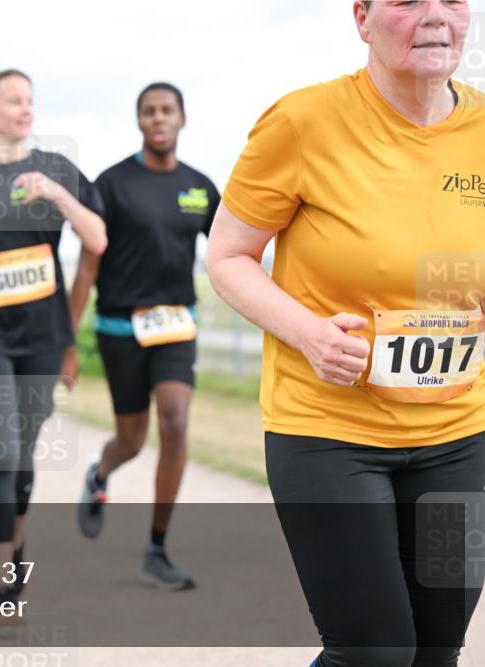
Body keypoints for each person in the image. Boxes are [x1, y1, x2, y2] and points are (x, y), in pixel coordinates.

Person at [205, 1, 484, 664]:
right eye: (407, 1)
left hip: (458, 435)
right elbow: (226, 255)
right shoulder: (303, 122)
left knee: (437, 649)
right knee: (377, 649)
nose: (435, 17)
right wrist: (307, 333)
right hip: (329, 432)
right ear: (361, 18)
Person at [0, 69, 107, 610]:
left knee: (24, 451)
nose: (25, 110)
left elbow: (96, 237)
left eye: (30, 101)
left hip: (41, 332)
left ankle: (18, 532)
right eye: (13, 101)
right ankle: (4, 575)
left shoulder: (56, 168)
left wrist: (56, 194)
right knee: (2, 447)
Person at [66, 82, 219, 590]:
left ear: (181, 119)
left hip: (176, 326)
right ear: (139, 122)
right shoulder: (110, 184)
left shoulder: (200, 187)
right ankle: (99, 473)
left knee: (174, 423)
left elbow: (229, 254)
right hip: (118, 328)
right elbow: (88, 267)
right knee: (131, 439)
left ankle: (156, 547)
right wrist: (67, 341)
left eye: (167, 110)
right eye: (149, 111)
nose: (158, 118)